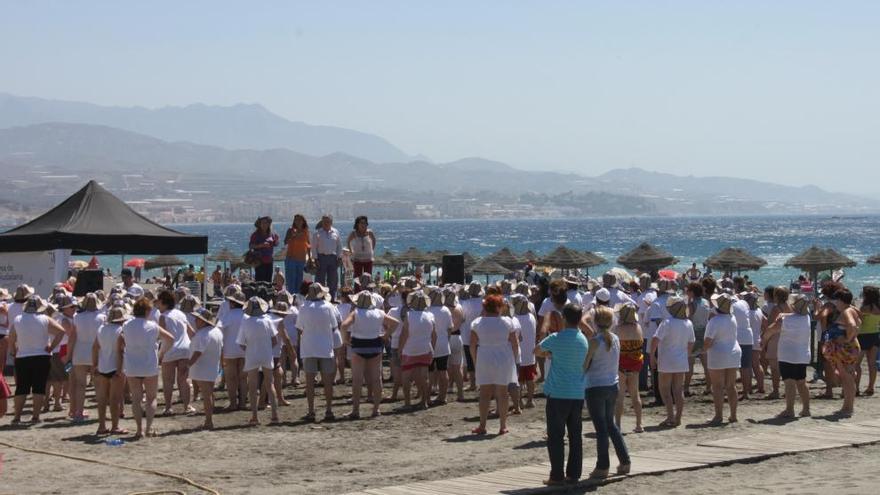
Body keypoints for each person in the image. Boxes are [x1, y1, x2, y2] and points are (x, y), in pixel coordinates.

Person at [535, 303, 589, 485]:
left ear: (564, 319)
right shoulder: (583, 339)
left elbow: (537, 350)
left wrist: (550, 354)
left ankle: (556, 475)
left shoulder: (557, 337)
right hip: (577, 392)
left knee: (556, 436)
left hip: (558, 392)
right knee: (575, 435)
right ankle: (574, 474)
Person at [584, 306, 631, 479]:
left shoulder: (595, 341)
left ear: (595, 322)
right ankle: (625, 461)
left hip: (596, 386)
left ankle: (602, 466)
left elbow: (585, 365)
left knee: (601, 428)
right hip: (612, 385)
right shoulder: (615, 338)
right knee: (611, 425)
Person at [119, 297, 175, 439]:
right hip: (149, 364)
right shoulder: (152, 326)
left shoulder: (127, 324)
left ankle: (139, 430)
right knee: (151, 398)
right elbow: (170, 339)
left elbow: (121, 339)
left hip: (132, 365)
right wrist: (161, 354)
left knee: (136, 399)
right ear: (147, 311)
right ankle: (148, 428)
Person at [340, 291, 399, 418]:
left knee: (357, 380)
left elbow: (344, 326)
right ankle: (376, 409)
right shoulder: (379, 312)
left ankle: (356, 410)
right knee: (376, 378)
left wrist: (345, 340)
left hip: (359, 346)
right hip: (375, 345)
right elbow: (395, 323)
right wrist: (386, 335)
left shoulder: (356, 313)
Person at [8, 296, 66, 424]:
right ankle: (35, 416)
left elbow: (11, 338)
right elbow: (61, 332)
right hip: (42, 355)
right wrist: (51, 347)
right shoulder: (44, 319)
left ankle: (17, 416)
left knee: (21, 388)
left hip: (22, 356)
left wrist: (13, 350)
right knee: (39, 387)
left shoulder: (18, 320)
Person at [469, 294, 519, 435]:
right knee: (502, 394)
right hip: (503, 357)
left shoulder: (477, 322)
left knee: (484, 394)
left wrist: (475, 360)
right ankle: (502, 426)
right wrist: (513, 361)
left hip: (484, 356)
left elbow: (472, 345)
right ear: (499, 307)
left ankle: (482, 425)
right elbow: (515, 344)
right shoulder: (508, 322)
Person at [296, 283, 339, 421]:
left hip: (309, 347)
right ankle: (329, 410)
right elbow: (334, 327)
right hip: (325, 347)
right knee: (327, 382)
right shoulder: (328, 306)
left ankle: (311, 411)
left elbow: (299, 328)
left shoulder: (303, 307)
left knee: (309, 382)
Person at [765, 295, 812, 418]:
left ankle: (789, 410)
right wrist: (783, 316)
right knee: (802, 382)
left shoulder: (787, 320)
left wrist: (763, 340)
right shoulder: (806, 317)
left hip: (788, 355)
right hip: (802, 355)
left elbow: (772, 330)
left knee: (789, 382)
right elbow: (793, 316)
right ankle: (806, 409)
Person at [651, 297, 694, 428]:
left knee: (664, 389)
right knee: (678, 390)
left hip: (667, 359)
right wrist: (686, 354)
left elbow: (655, 339)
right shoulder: (688, 323)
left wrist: (652, 355)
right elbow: (691, 342)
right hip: (680, 360)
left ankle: (670, 416)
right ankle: (678, 417)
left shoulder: (667, 322)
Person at [237, 297, 280, 425]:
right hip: (266, 354)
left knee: (252, 385)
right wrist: (265, 348)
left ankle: (255, 416)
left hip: (252, 355)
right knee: (269, 384)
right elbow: (274, 341)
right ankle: (275, 415)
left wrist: (250, 349)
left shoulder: (246, 322)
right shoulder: (268, 321)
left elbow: (241, 343)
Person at [704, 293, 742, 425]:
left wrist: (702, 349)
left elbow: (708, 342)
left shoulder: (714, 321)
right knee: (731, 386)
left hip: (718, 354)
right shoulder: (732, 318)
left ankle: (718, 415)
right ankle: (733, 415)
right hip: (733, 352)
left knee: (718, 386)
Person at [156, 290, 194, 416]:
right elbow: (191, 332)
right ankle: (187, 406)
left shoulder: (163, 317)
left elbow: (164, 337)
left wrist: (160, 354)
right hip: (185, 348)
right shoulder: (181, 314)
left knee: (168, 381)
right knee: (184, 380)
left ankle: (168, 407)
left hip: (170, 349)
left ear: (163, 302)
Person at [824, 288, 861, 416]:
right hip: (848, 348)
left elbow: (853, 325)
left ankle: (848, 407)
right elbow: (858, 323)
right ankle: (847, 406)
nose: (834, 303)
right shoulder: (852, 309)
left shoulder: (846, 311)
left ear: (840, 300)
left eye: (835, 300)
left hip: (846, 348)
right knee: (847, 378)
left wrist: (847, 339)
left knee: (847, 378)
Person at [92, 306, 127, 435]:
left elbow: (95, 347)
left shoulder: (101, 329)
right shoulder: (120, 331)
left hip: (102, 366)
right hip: (115, 367)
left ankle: (101, 426)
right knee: (115, 399)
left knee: (102, 399)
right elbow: (120, 352)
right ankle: (115, 426)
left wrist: (94, 365)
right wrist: (119, 369)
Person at [69, 293, 104, 422]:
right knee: (99, 385)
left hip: (80, 351)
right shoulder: (102, 317)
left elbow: (72, 338)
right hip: (96, 351)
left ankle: (78, 412)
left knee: (80, 384)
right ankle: (101, 412)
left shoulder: (77, 317)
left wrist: (68, 355)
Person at [399, 290, 436, 410]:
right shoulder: (430, 315)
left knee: (406, 376)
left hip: (410, 349)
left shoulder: (409, 315)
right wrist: (432, 348)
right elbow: (434, 335)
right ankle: (424, 401)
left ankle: (407, 403)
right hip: (425, 348)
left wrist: (400, 349)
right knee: (423, 377)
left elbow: (404, 334)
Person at [188, 308, 223, 429]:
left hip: (203, 367)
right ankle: (209, 419)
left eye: (197, 319)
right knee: (209, 393)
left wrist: (188, 365)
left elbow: (198, 352)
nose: (195, 321)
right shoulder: (216, 331)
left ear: (203, 321)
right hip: (212, 365)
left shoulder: (203, 334)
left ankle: (209, 421)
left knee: (207, 394)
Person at [615, 303, 644, 433]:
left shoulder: (617, 329)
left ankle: (618, 425)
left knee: (620, 396)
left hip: (621, 364)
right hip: (635, 364)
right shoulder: (638, 327)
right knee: (635, 395)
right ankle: (639, 424)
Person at [219, 291, 247, 411]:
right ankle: (242, 403)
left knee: (231, 378)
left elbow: (219, 330)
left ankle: (233, 403)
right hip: (245, 349)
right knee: (243, 378)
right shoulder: (247, 315)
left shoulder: (228, 315)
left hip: (230, 349)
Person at [427, 288, 454, 405]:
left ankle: (427, 397)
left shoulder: (427, 310)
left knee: (429, 372)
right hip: (443, 344)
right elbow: (450, 328)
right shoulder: (446, 310)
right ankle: (442, 396)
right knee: (443, 371)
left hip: (429, 344)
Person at [511, 294, 538, 409]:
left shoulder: (515, 319)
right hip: (530, 353)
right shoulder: (531, 316)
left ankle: (520, 401)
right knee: (530, 378)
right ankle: (530, 400)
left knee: (519, 379)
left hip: (519, 354)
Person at [685, 282, 710, 396]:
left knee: (690, 363)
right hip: (704, 333)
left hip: (694, 334)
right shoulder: (706, 302)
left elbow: (688, 319)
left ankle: (686, 388)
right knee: (706, 363)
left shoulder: (692, 305)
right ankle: (709, 387)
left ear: (692, 292)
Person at [311, 214, 342, 299]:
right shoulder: (317, 233)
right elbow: (313, 247)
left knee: (332, 280)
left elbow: (339, 246)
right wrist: (315, 259)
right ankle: (319, 298)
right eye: (324, 221)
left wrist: (339, 258)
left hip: (333, 258)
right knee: (320, 279)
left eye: (328, 221)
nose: (326, 223)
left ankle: (332, 298)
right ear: (322, 222)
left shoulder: (336, 232)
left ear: (331, 222)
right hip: (321, 258)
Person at [443, 286, 466, 402]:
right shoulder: (459, 307)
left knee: (445, 368)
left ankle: (446, 391)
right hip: (458, 337)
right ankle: (460, 393)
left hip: (447, 338)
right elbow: (463, 320)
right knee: (457, 367)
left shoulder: (444, 309)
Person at [856, 286, 880, 396]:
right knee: (872, 364)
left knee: (857, 364)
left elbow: (859, 321)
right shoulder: (878, 307)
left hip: (863, 336)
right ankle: (871, 387)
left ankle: (856, 387)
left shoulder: (865, 307)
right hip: (875, 335)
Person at [732, 292, 755, 399]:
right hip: (747, 336)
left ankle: (732, 391)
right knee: (746, 367)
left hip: (736, 337)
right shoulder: (744, 303)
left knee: (732, 367)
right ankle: (746, 392)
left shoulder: (730, 305)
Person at [283, 214, 311, 295]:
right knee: (291, 281)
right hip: (291, 259)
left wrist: (309, 258)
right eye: (296, 220)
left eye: (299, 220)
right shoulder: (290, 230)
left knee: (299, 281)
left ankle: (298, 299)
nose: (298, 222)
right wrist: (292, 236)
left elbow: (308, 245)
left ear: (303, 221)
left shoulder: (306, 231)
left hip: (301, 260)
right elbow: (285, 242)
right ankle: (291, 298)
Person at [249, 216, 279, 283]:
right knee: (260, 281)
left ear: (269, 224)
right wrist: (261, 245)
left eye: (266, 223)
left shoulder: (271, 234)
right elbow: (251, 246)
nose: (264, 224)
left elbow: (275, 244)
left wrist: (276, 240)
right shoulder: (255, 235)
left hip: (269, 261)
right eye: (262, 223)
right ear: (260, 224)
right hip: (259, 262)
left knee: (268, 282)